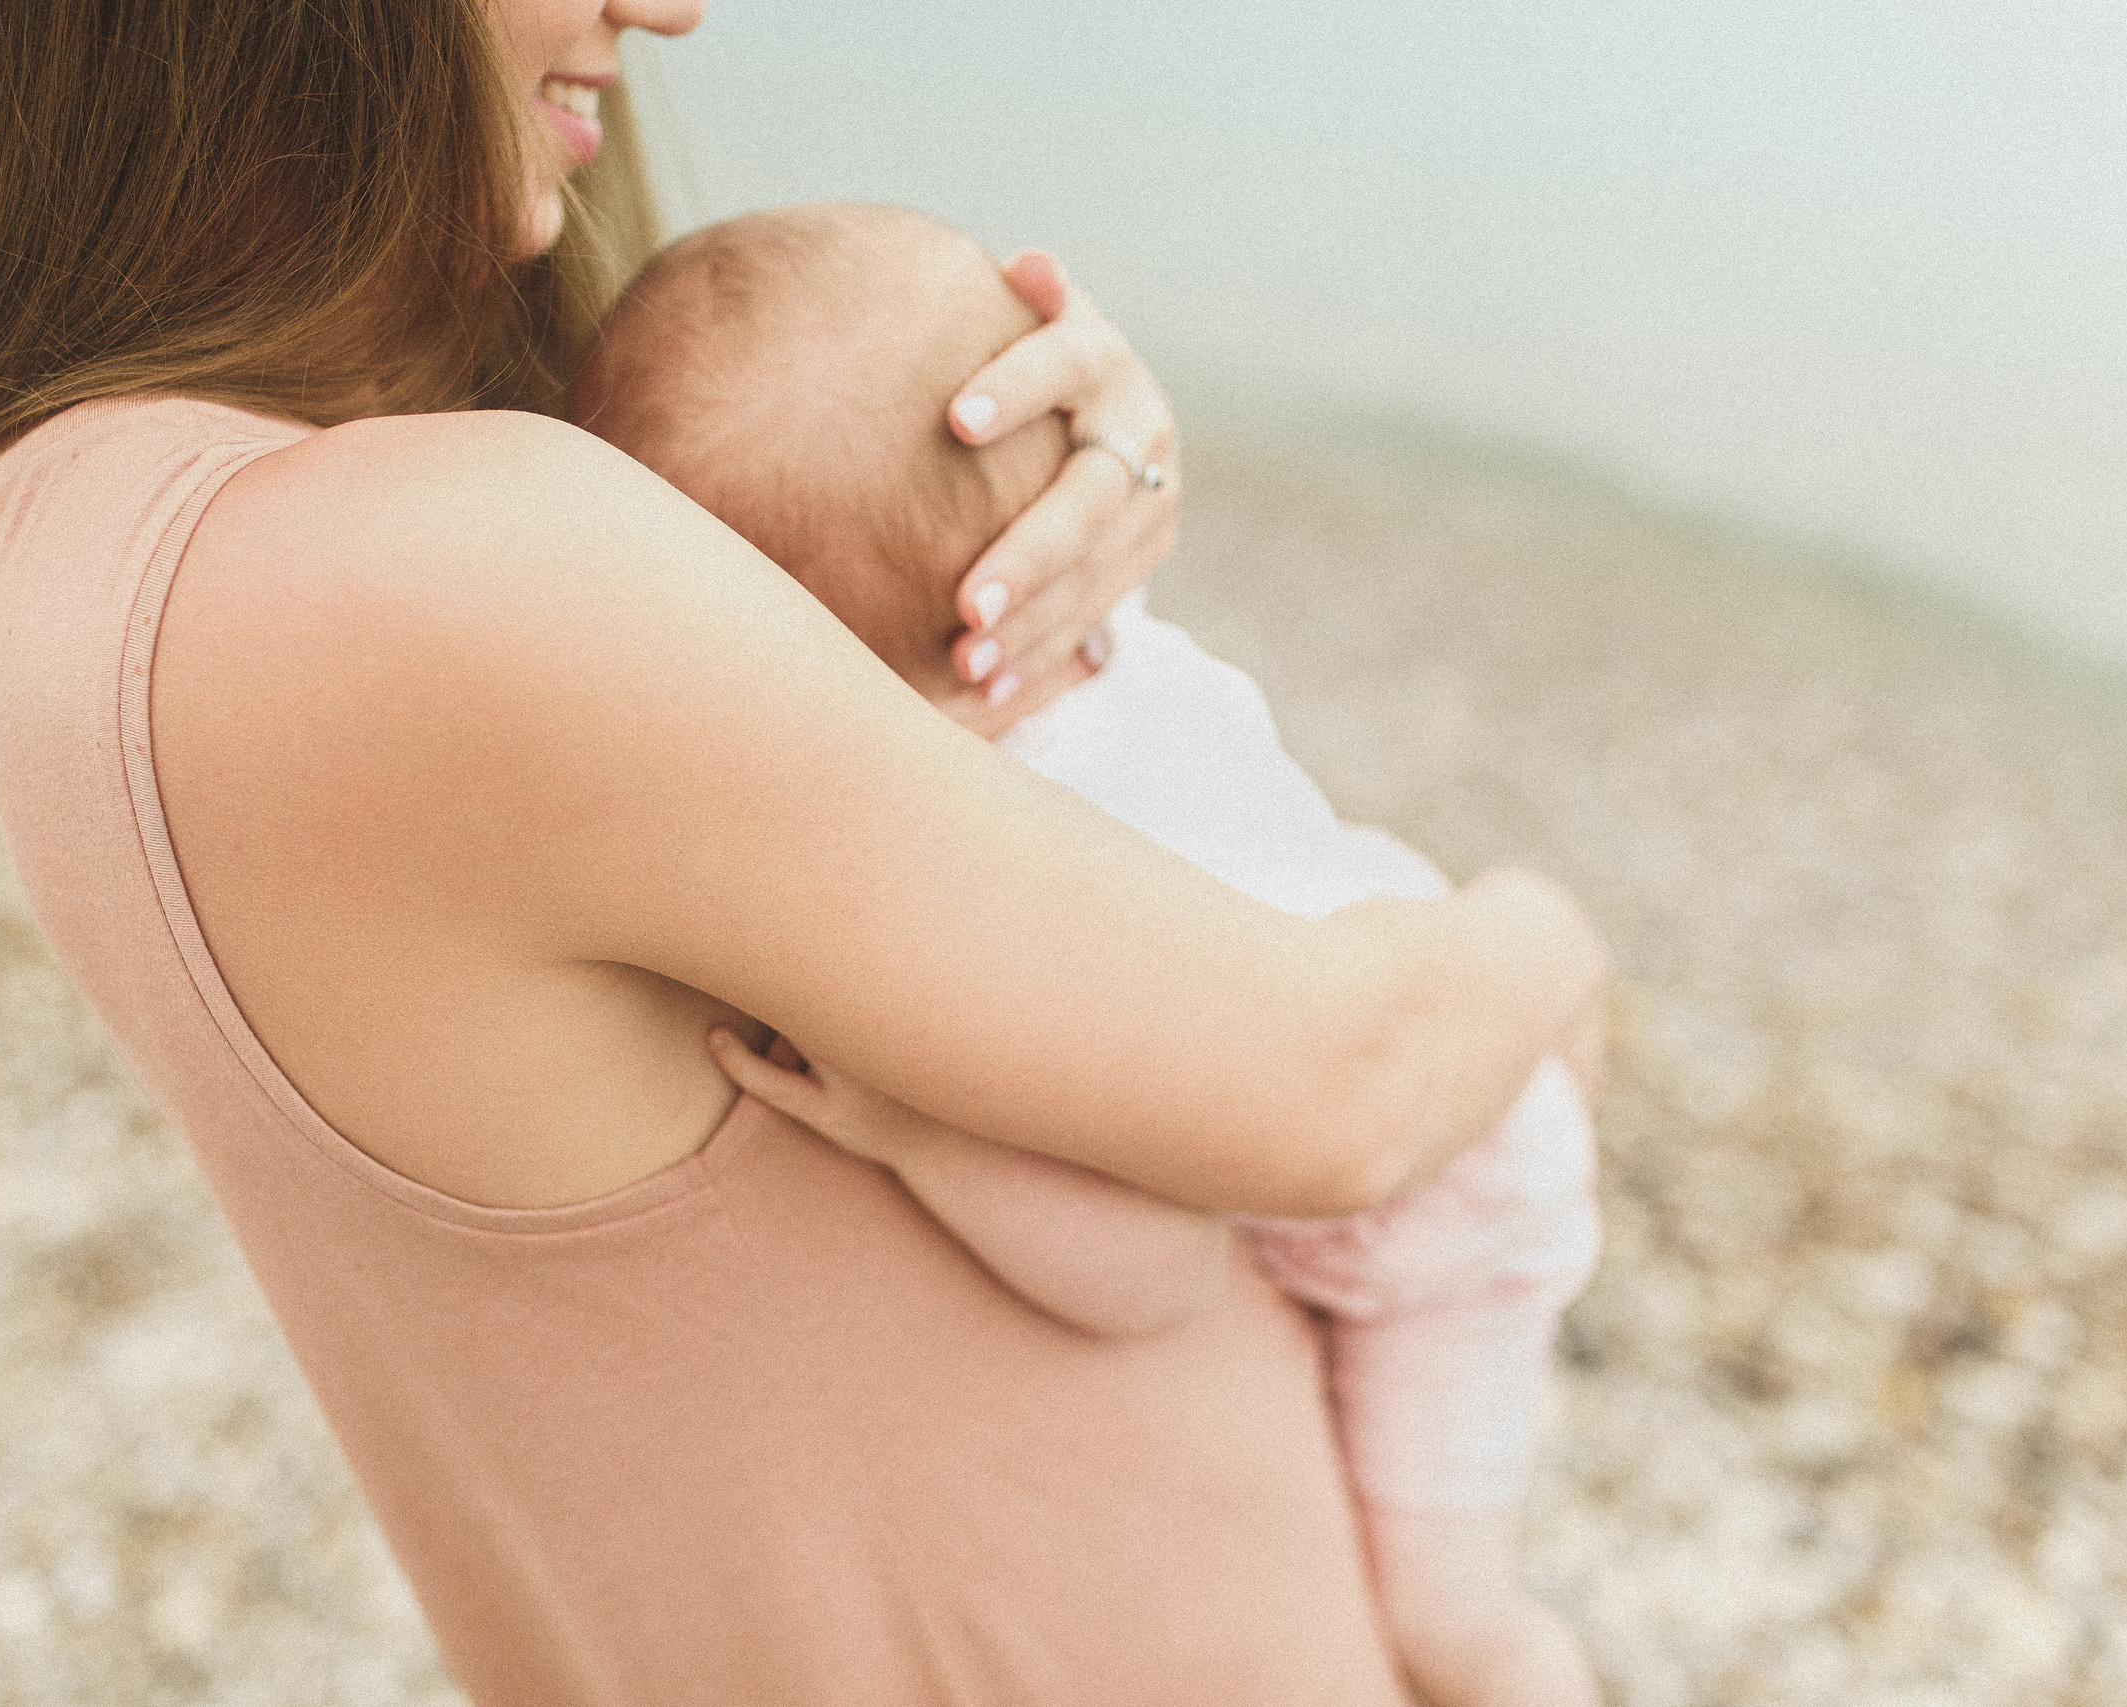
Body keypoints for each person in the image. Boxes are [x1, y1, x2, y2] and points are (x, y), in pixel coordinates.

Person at [0, 2, 1610, 1701]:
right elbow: (1341, 1093)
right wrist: (1541, 935)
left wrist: (964, 463)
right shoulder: (424, 573)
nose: (670, 9)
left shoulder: (66, 536)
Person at [571, 203, 1604, 1707]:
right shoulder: (1112, 631)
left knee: (1458, 1628)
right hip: (1430, 972)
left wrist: (923, 1132)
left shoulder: (1013, 850)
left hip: (1450, 1216)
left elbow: (1153, 1274)